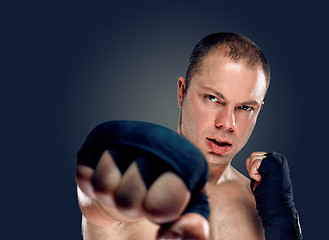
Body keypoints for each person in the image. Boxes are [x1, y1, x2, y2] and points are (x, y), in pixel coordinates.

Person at [75, 32, 302, 239]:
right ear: (182, 92)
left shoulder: (263, 207)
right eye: (213, 98)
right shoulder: (135, 179)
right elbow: (97, 197)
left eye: (245, 108)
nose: (227, 123)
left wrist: (282, 219)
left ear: (259, 111)